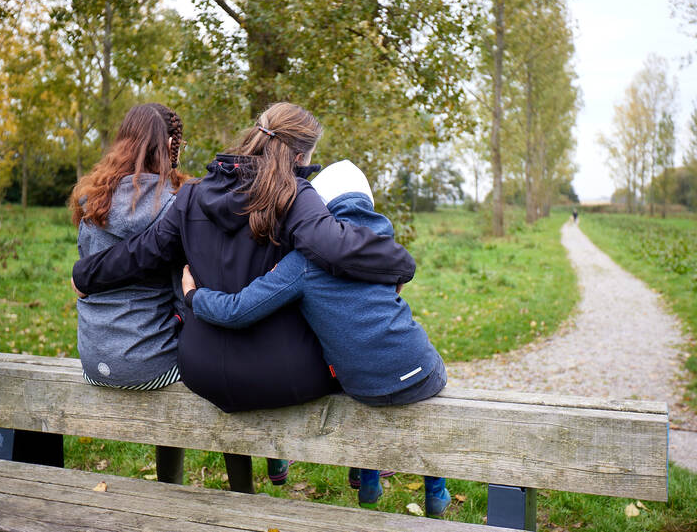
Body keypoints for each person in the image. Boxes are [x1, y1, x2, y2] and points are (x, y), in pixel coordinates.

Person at [71, 103, 415, 490]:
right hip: (279, 374)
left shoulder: (191, 196)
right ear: (299, 156)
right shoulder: (295, 194)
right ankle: (364, 470)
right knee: (339, 351)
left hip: (199, 369)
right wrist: (402, 264)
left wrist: (86, 274)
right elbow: (334, 244)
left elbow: (143, 252)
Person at [181, 160, 451, 517]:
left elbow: (237, 310)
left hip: (361, 386)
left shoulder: (303, 262)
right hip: (420, 373)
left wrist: (193, 296)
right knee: (413, 364)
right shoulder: (383, 248)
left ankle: (368, 479)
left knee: (352, 364)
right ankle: (437, 490)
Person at [70, 102, 189, 390]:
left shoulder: (94, 201)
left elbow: (88, 269)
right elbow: (182, 293)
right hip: (149, 365)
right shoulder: (174, 207)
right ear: (171, 145)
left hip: (93, 362)